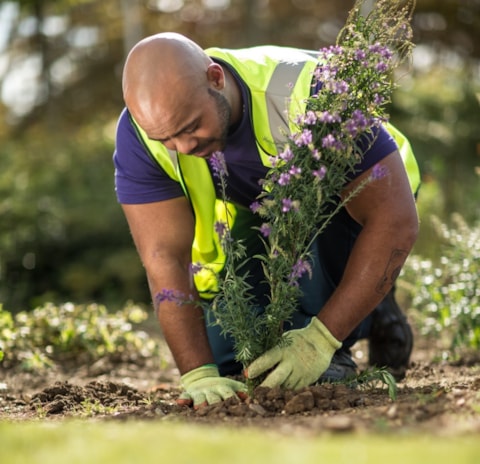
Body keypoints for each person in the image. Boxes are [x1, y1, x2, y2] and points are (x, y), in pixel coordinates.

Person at [115, 32, 420, 409]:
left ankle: (359, 321)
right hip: (263, 212)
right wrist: (198, 373)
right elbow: (164, 255)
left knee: (308, 343)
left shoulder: (313, 92)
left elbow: (395, 220)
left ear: (215, 79)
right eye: (167, 138)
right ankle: (364, 303)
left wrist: (320, 339)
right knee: (232, 360)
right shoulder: (141, 135)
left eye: (191, 126)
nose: (184, 147)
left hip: (363, 200)